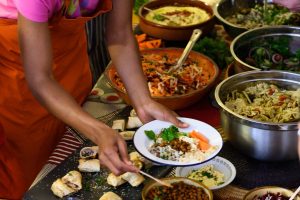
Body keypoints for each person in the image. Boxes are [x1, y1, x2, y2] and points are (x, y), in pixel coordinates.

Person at [0, 0, 188, 199]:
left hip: (68, 58)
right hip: (18, 74)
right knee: (30, 176)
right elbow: (39, 79)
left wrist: (143, 102)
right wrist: (98, 131)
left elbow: (121, 36)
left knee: (70, 147)